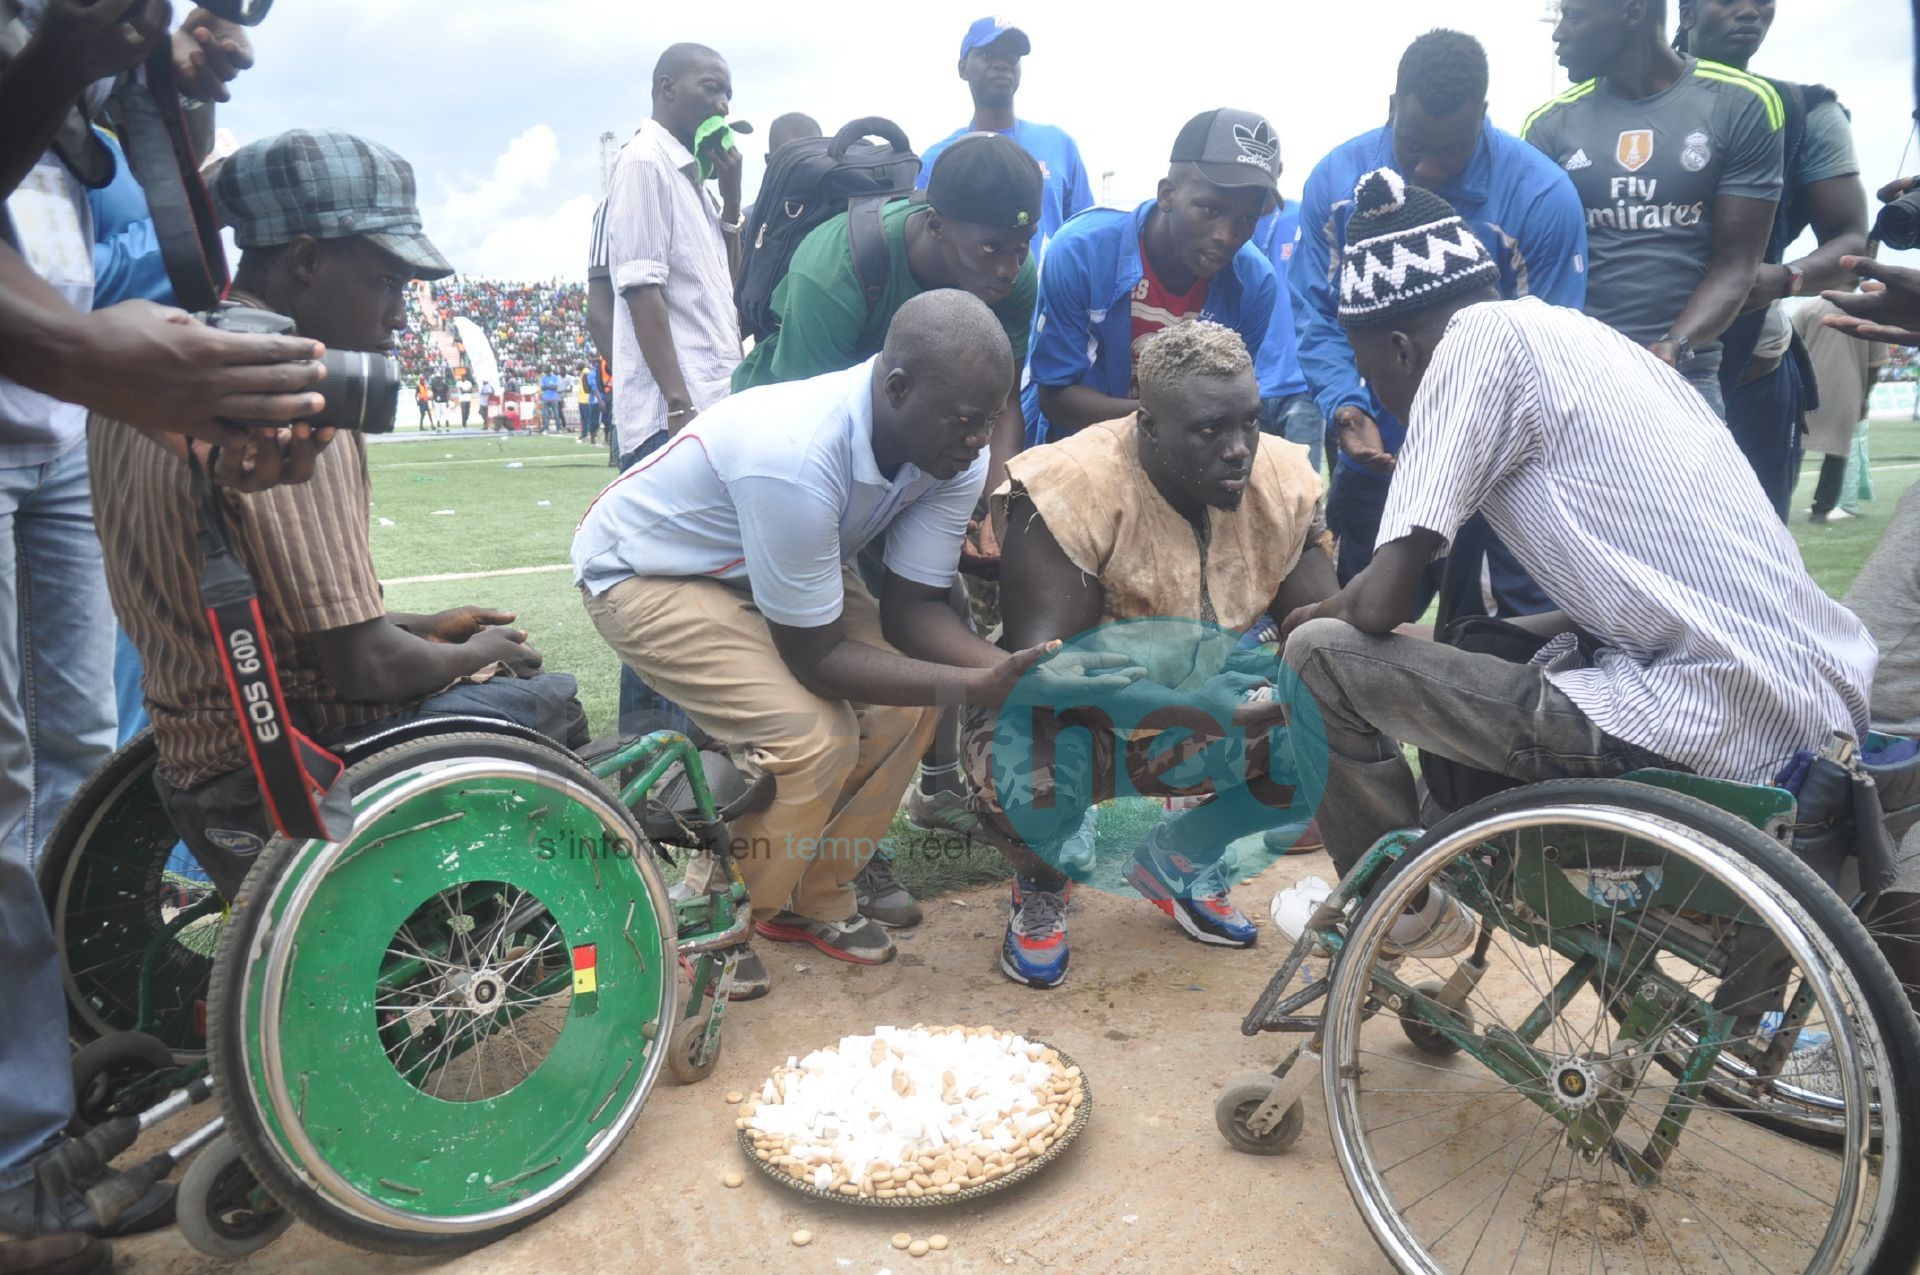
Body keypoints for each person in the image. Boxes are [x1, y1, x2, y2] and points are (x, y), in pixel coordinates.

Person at [1277, 171, 1873, 946]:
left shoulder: (1469, 350)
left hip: (1709, 716)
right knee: (1487, 638)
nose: (1380, 393)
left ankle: (1404, 912)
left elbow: (1380, 603)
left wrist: (1303, 618)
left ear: (1399, 346)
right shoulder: (1580, 335)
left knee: (1319, 655)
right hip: (1813, 704)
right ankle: (1429, 874)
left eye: (1372, 372)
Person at [575, 291, 1133, 1001]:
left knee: (909, 707)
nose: (979, 445)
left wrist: (1018, 673)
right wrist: (977, 685)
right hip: (649, 570)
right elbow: (818, 660)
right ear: (897, 388)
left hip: (771, 559)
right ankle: (719, 912)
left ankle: (815, 894)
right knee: (813, 735)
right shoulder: (796, 455)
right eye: (966, 422)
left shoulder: (952, 451)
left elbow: (912, 611)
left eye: (990, 421)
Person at [91, 127, 590, 904]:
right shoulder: (291, 394)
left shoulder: (151, 374)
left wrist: (426, 623)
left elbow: (264, 612)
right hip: (287, 772)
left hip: (193, 762)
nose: (399, 312)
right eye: (387, 281)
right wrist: (475, 651)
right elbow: (366, 668)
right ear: (306, 258)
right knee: (544, 694)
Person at [732, 132, 1044, 923]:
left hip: (916, 454)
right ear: (934, 224)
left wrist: (988, 491)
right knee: (808, 673)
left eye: (1022, 246)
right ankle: (729, 834)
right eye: (992, 249)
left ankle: (859, 849)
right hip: (797, 472)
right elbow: (809, 433)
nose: (1009, 268)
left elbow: (998, 396)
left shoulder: (1016, 274)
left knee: (916, 636)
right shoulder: (839, 267)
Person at [967, 321, 1336, 988]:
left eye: (1250, 423)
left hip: (1202, 709)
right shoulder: (1068, 485)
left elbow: (1322, 634)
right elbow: (1044, 666)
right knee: (1017, 771)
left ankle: (1179, 859)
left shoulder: (1282, 480)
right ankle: (1042, 882)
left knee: (1329, 721)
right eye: (1210, 430)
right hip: (1079, 716)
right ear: (1149, 423)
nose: (1238, 450)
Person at [1295, 29, 1583, 618]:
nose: (1426, 167)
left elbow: (1544, 352)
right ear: (1392, 107)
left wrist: (1459, 451)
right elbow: (1318, 314)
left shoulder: (1541, 196)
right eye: (1412, 144)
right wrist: (1348, 407)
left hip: (1500, 467)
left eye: (1449, 149)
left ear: (1482, 114)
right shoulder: (1334, 183)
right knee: (1363, 613)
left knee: (1501, 627)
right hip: (1377, 447)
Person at [1524, 0, 1785, 422]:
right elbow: (1535, 268)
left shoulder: (1743, 103)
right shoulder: (1547, 124)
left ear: (1631, 13)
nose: (1559, 33)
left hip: (1685, 373)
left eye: (1573, 16)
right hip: (1576, 377)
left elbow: (1737, 263)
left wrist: (1673, 345)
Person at [1678, 0, 1870, 518]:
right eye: (1730, 0)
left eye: (1763, 2)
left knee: (1750, 567)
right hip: (1626, 369)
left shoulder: (1808, 112)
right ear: (1687, 13)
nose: (1750, 11)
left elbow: (1853, 238)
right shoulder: (1600, 111)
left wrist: (1785, 277)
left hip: (1751, 370)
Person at [1023, 108, 1280, 447]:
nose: (1228, 235)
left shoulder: (1255, 284)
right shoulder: (1082, 252)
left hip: (1179, 464)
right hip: (1077, 454)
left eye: (1247, 218)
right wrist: (1169, 418)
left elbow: (1229, 400)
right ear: (1167, 194)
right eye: (1211, 210)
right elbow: (1056, 397)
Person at [606, 41, 744, 466]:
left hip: (711, 410)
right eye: (711, 89)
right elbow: (642, 291)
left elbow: (731, 293)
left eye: (728, 95)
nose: (722, 106)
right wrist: (678, 403)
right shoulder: (646, 162)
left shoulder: (693, 181)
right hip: (672, 423)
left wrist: (732, 202)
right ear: (667, 88)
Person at [915, 17, 1092, 261]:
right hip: (968, 298)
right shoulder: (938, 160)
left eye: (1011, 58)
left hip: (1047, 298)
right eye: (988, 55)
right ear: (963, 68)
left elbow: (1085, 236)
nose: (1002, 64)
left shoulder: (1060, 145)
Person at [1794, 297, 1886, 523]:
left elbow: (1790, 347)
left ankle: (1777, 501)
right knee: (1836, 452)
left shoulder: (1809, 308)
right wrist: (1865, 397)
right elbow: (1876, 363)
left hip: (1807, 389)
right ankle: (1821, 510)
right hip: (1848, 389)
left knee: (1794, 450)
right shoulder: (1870, 313)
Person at [1248, 200, 1323, 473]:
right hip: (1247, 388)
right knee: (1254, 494)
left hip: (1300, 384)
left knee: (1302, 488)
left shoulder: (1303, 217)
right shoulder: (1229, 227)